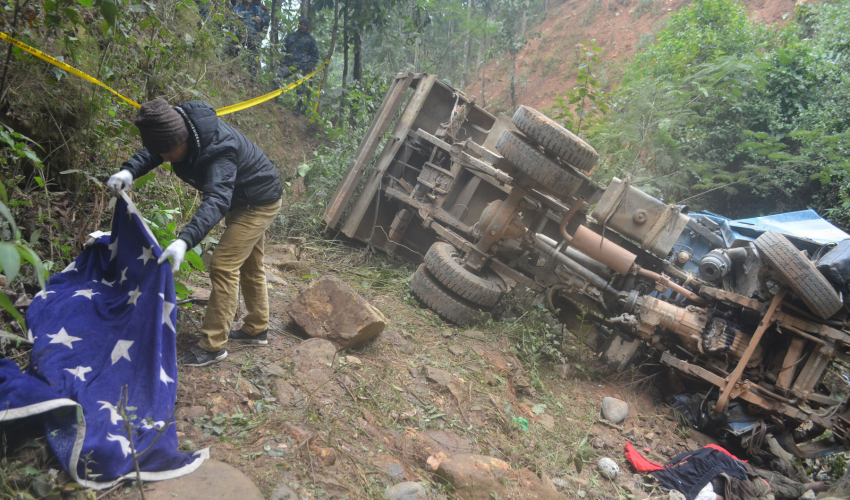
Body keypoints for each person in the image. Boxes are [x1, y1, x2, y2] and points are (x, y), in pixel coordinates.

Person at [106, 99, 283, 367]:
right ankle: (257, 329)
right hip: (242, 197)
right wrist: (130, 170)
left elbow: (216, 201)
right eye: (162, 153)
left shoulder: (219, 150)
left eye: (168, 153)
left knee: (224, 265)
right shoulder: (177, 131)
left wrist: (184, 240)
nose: (165, 159)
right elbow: (156, 152)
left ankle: (213, 346)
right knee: (249, 264)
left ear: (183, 139)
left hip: (257, 201)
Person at [275, 17, 320, 113]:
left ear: (307, 27)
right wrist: (282, 60)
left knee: (300, 87)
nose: (302, 27)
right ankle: (274, 98)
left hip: (301, 67)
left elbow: (315, 57)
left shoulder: (311, 40)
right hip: (289, 64)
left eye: (305, 25)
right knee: (277, 75)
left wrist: (308, 66)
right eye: (301, 24)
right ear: (298, 25)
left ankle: (298, 109)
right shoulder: (291, 36)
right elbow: (283, 48)